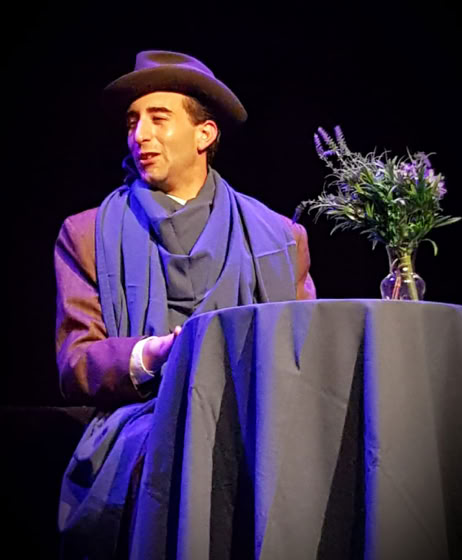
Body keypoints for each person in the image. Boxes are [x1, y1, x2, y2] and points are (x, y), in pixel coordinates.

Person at [55, 50, 316, 557]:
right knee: (177, 449)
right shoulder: (86, 235)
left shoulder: (280, 237)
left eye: (159, 119)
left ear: (204, 134)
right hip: (139, 424)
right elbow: (75, 363)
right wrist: (149, 356)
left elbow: (307, 351)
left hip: (259, 418)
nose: (140, 135)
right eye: (133, 121)